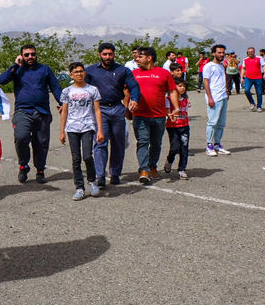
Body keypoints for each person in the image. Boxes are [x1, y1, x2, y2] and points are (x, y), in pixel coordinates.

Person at [0, 44, 62, 184]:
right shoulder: (17, 70)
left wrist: (63, 104)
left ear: (36, 54)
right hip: (23, 111)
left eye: (32, 54)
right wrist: (15, 65)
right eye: (26, 55)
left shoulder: (45, 69)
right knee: (21, 137)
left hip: (42, 112)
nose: (30, 57)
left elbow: (55, 87)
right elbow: (2, 81)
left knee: (41, 142)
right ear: (22, 56)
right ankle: (23, 165)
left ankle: (40, 170)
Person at [85, 43, 140, 187]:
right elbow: (82, 88)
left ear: (114, 54)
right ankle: (100, 175)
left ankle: (115, 174)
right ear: (99, 55)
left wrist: (134, 99)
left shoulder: (123, 70)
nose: (107, 57)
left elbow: (134, 86)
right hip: (100, 110)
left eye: (110, 54)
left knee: (118, 144)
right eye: (105, 54)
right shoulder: (90, 71)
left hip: (117, 109)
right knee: (100, 142)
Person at [132, 47, 179, 183]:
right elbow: (128, 92)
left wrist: (176, 108)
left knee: (156, 143)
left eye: (140, 56)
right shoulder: (134, 74)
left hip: (158, 116)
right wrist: (128, 109)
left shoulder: (163, 73)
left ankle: (153, 166)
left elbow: (172, 91)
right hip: (140, 115)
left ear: (149, 57)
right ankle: (144, 169)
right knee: (143, 142)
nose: (137, 59)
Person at [59, 62, 105, 200]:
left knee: (87, 156)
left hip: (87, 126)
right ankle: (79, 187)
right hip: (72, 127)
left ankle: (92, 181)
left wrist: (100, 130)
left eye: (81, 71)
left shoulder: (92, 90)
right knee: (76, 159)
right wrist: (62, 131)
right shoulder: (67, 91)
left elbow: (97, 110)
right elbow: (64, 111)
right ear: (71, 75)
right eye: (76, 72)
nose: (79, 74)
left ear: (84, 73)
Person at [203, 44, 231, 156]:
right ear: (213, 53)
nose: (221, 54)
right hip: (214, 98)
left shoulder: (221, 66)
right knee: (212, 122)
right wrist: (210, 97)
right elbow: (206, 82)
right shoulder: (208, 66)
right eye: (219, 52)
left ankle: (217, 144)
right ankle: (209, 145)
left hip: (223, 96)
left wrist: (227, 91)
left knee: (221, 123)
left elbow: (222, 80)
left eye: (223, 52)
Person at [164, 78, 190, 179]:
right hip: (172, 127)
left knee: (184, 148)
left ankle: (182, 169)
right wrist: (171, 116)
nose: (182, 88)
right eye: (179, 86)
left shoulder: (186, 100)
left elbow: (186, 112)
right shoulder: (168, 99)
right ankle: (169, 161)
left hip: (184, 127)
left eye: (184, 86)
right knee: (175, 147)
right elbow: (168, 112)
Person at [240, 47, 265, 112]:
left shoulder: (259, 58)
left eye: (252, 52)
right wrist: (242, 77)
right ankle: (252, 102)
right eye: (249, 52)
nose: (250, 53)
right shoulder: (245, 59)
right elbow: (243, 68)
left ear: (254, 52)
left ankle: (259, 106)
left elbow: (264, 66)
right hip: (248, 78)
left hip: (258, 78)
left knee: (259, 93)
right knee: (246, 90)